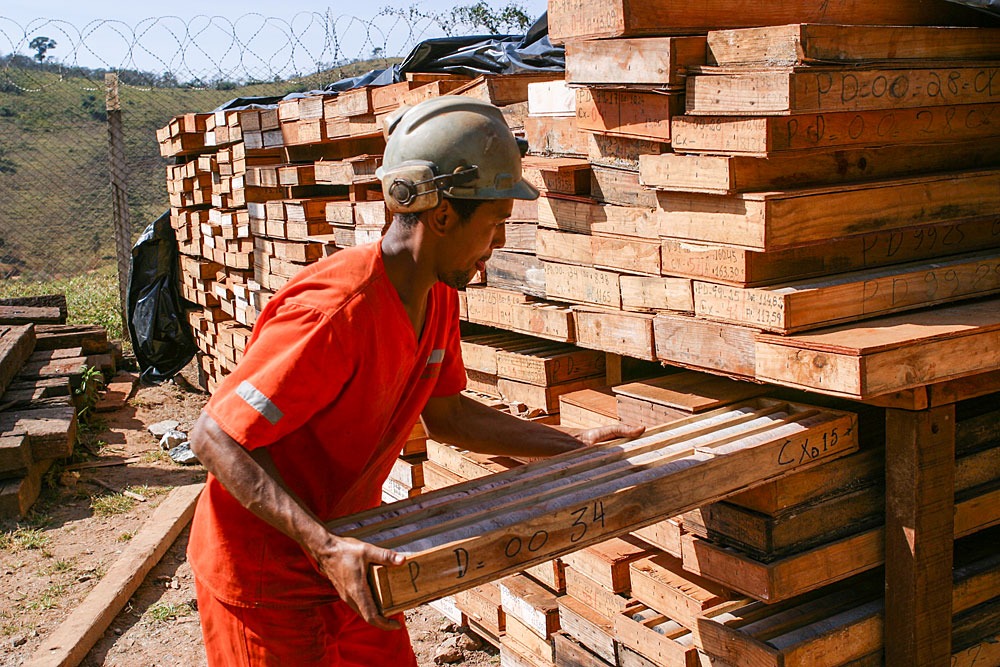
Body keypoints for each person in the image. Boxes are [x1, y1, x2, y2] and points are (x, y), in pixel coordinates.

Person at [186, 95, 643, 666]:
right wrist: (324, 547)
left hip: (353, 555)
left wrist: (570, 447)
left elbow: (448, 415)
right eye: (496, 224)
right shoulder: (334, 313)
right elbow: (214, 436)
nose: (498, 245)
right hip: (269, 577)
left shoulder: (437, 295)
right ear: (443, 215)